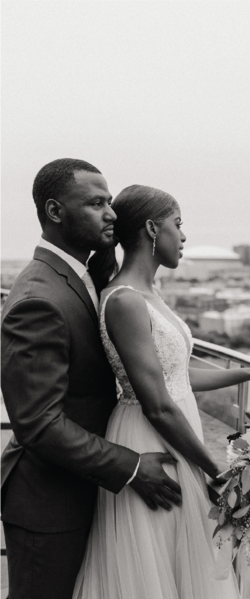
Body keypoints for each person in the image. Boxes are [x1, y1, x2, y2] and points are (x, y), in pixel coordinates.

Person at [73, 184, 250, 599]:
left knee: (179, 565)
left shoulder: (149, 295)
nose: (184, 236)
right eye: (179, 225)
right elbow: (157, 403)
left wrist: (249, 373)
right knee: (153, 565)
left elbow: (174, 377)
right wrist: (217, 471)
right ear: (153, 229)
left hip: (178, 434)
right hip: (153, 436)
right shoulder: (125, 301)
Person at [0, 160, 182, 599]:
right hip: (49, 504)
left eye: (110, 202)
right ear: (56, 211)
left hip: (84, 488)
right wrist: (133, 466)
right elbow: (38, 424)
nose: (112, 214)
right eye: (97, 203)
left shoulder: (82, 276)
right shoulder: (37, 299)